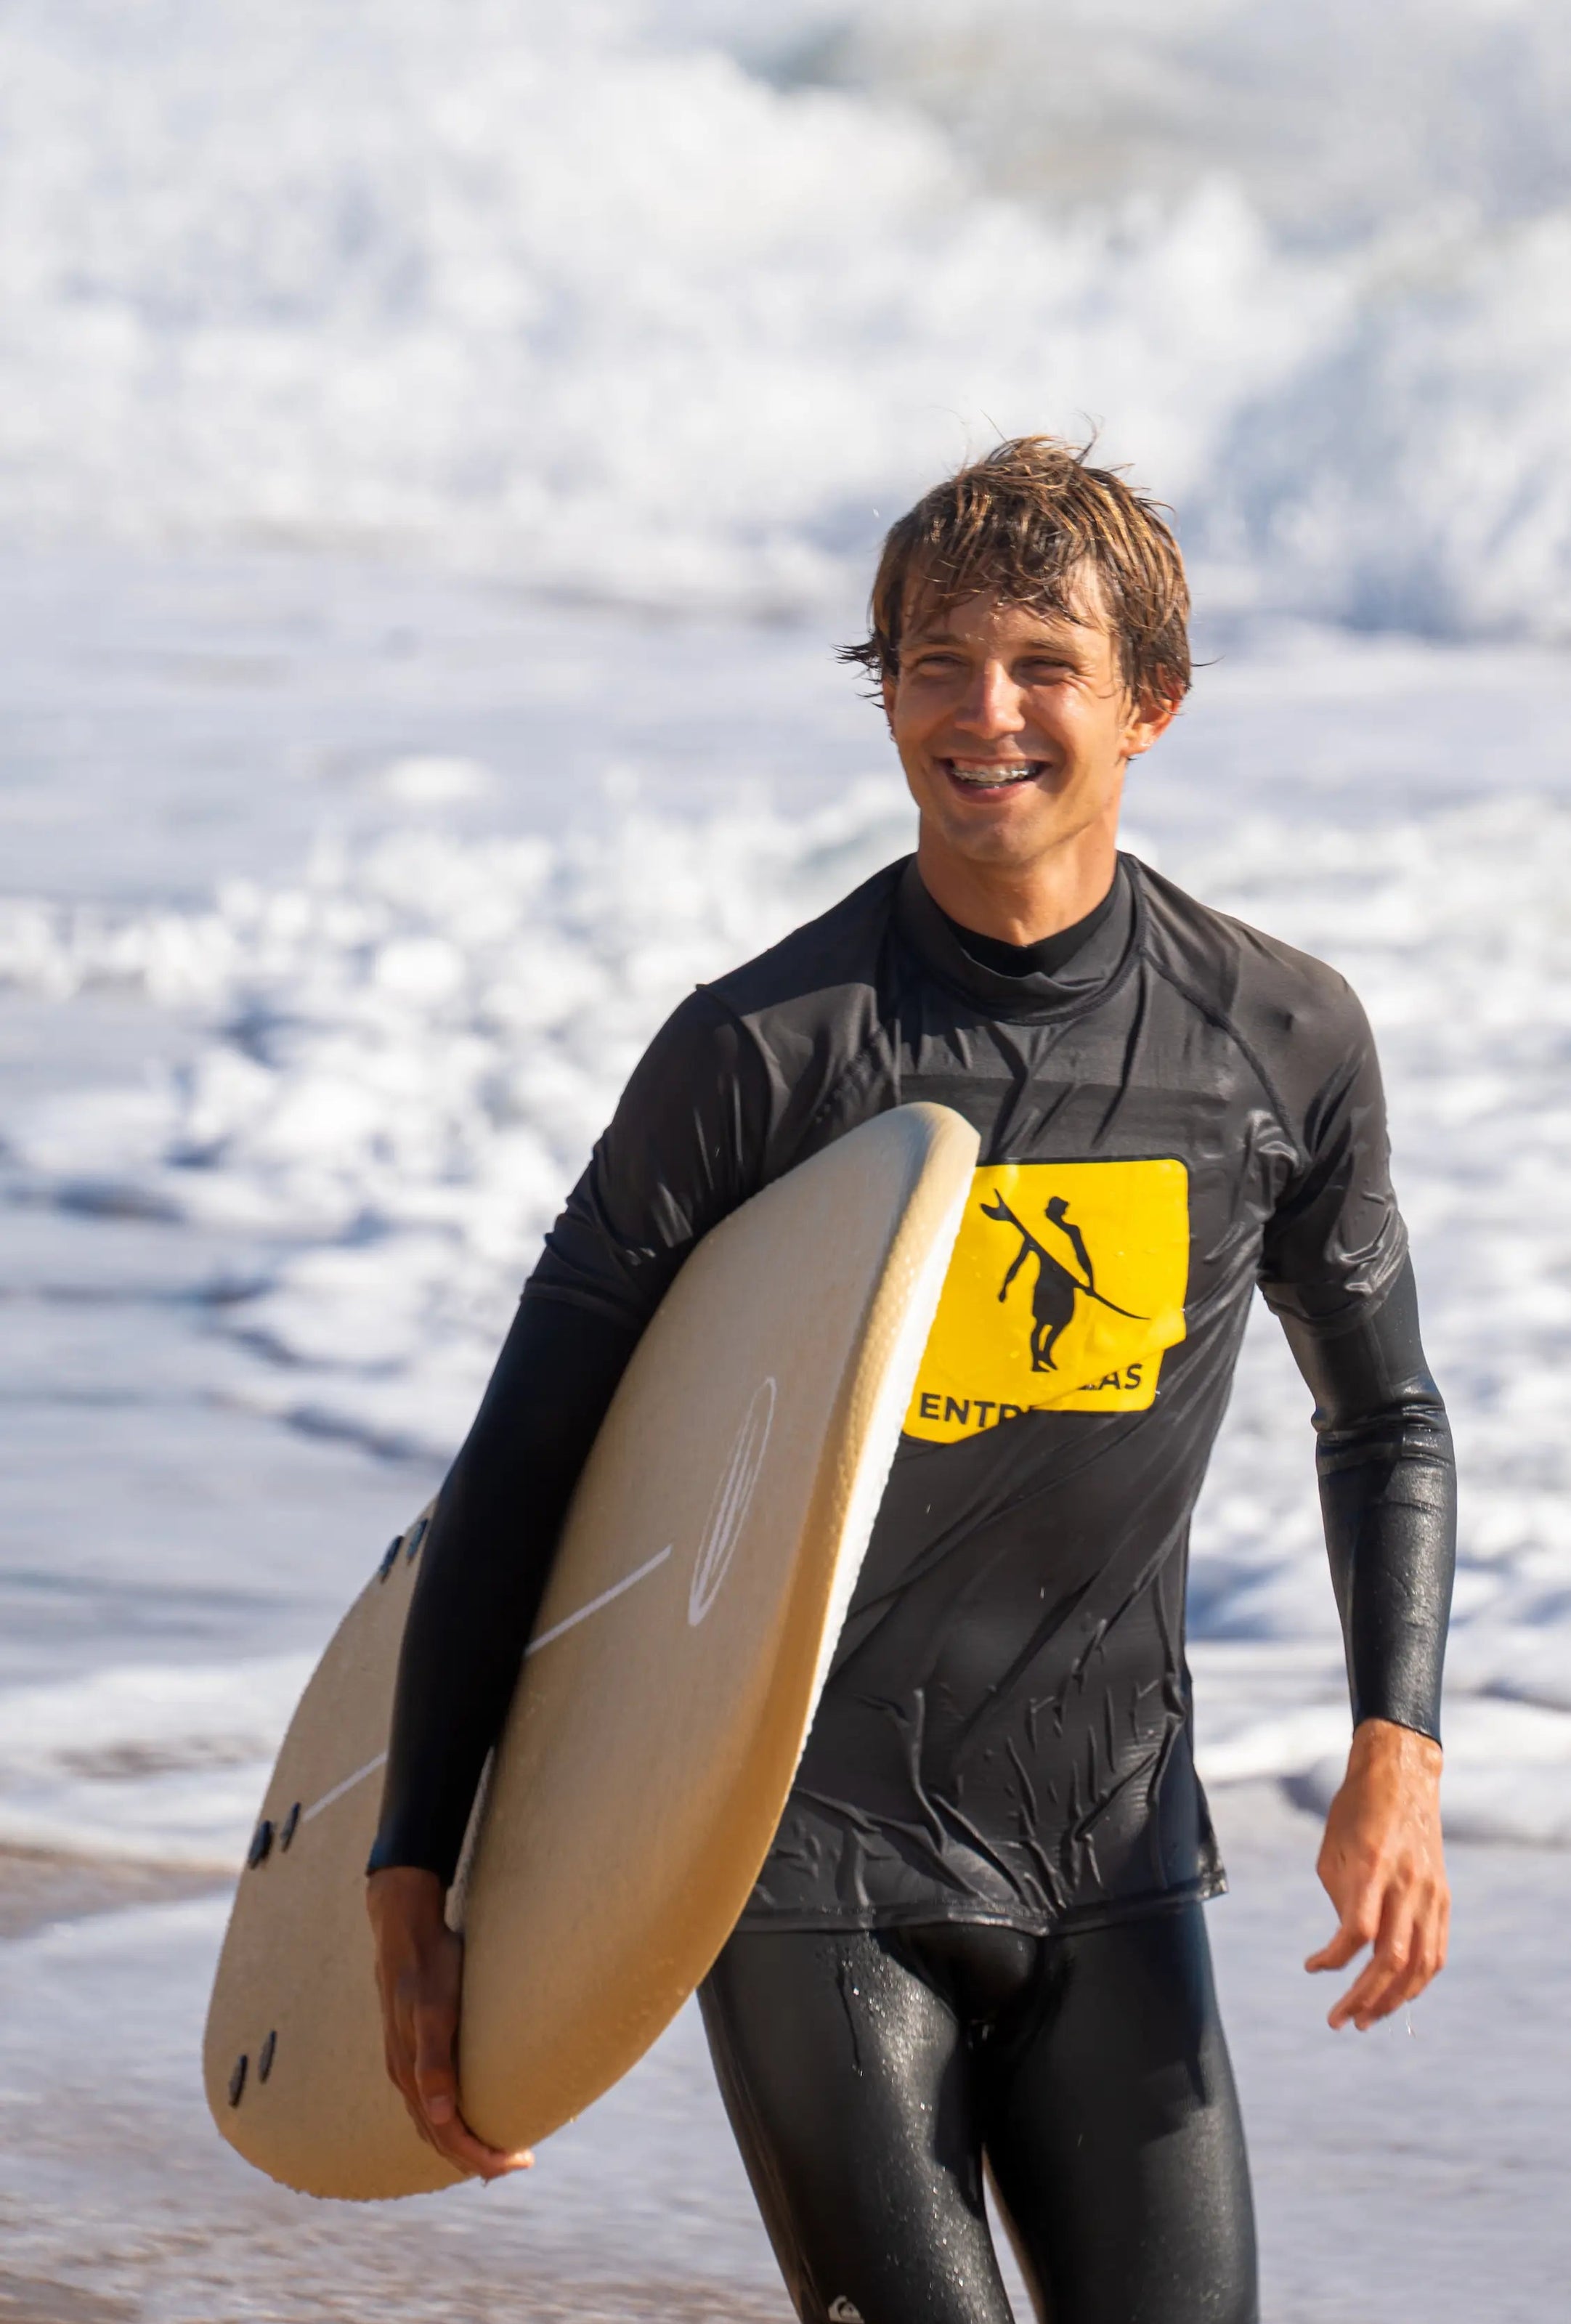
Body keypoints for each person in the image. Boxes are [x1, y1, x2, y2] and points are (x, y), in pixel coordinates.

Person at [365, 438, 1457, 2324]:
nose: (984, 713)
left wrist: (1398, 1756)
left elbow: (1386, 1420)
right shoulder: (765, 1054)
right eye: (935, 663)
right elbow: (528, 1462)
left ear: (1151, 704)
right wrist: (414, 1874)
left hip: (1114, 1856)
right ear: (885, 694)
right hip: (802, 1864)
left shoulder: (1275, 1041)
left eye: (1044, 665)